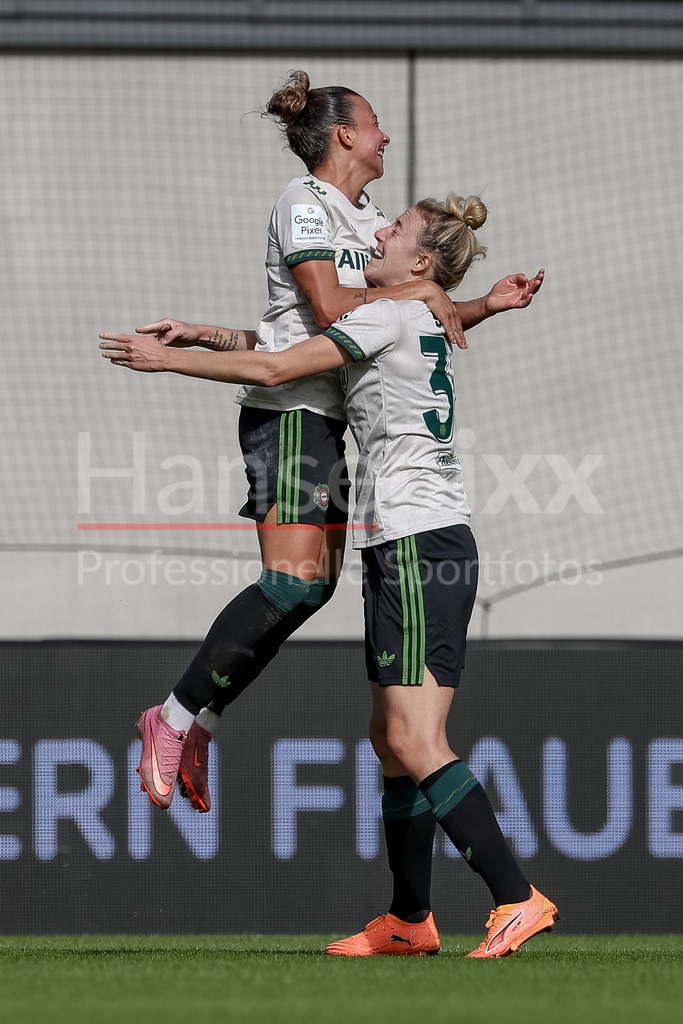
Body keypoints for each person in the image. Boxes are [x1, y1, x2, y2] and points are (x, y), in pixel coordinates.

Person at [100, 192, 555, 959]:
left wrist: (170, 358)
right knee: (390, 738)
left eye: (396, 230)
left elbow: (278, 366)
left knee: (415, 740)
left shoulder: (386, 316)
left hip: (416, 544)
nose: (379, 230)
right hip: (417, 542)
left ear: (417, 262)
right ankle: (409, 920)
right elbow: (296, 336)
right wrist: (206, 330)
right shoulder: (410, 313)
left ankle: (518, 896)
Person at [101, 70, 539, 819]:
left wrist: (475, 305)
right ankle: (173, 718)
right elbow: (338, 308)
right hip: (288, 407)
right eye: (374, 125)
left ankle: (198, 719)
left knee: (308, 587)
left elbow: (340, 326)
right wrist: (425, 293)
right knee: (292, 582)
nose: (384, 137)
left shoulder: (365, 215)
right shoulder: (303, 203)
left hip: (321, 409)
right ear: (344, 135)